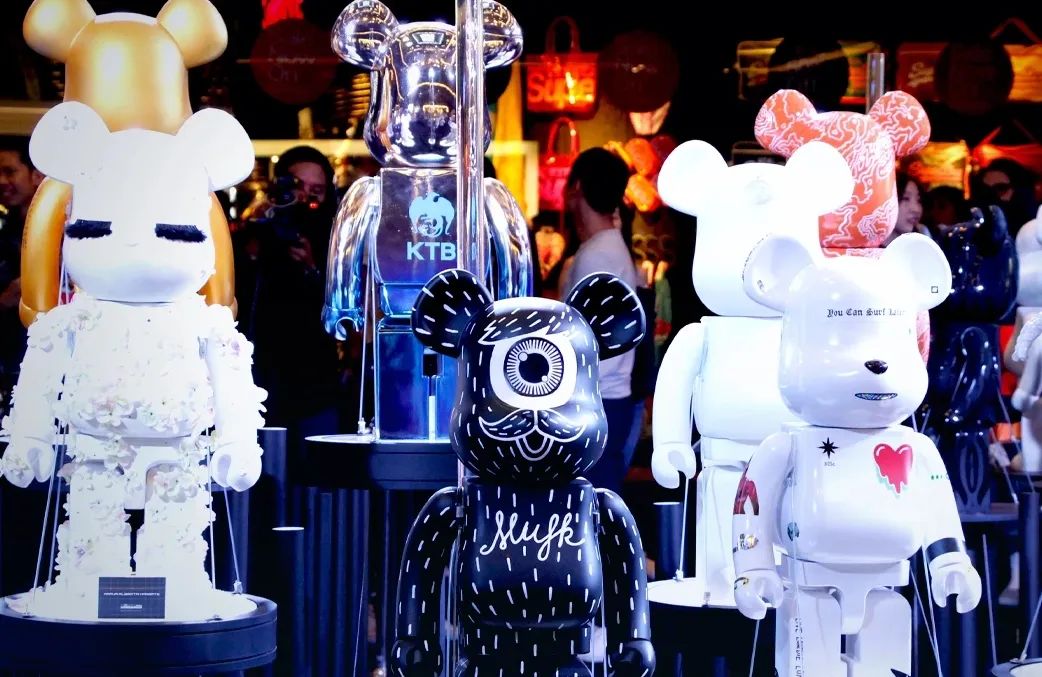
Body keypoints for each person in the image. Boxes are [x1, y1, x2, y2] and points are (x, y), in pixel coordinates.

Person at [236, 145, 344, 448]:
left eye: (315, 191)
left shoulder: (336, 239)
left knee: (317, 464)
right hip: (259, 377)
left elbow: (344, 312)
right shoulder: (257, 229)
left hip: (315, 382)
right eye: (296, 187)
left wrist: (311, 268)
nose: (304, 198)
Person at [559, 147, 642, 495]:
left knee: (590, 505)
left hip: (596, 400)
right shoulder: (609, 248)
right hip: (608, 399)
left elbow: (580, 338)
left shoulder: (597, 256)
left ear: (577, 186)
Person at [0, 136, 42, 403]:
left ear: (35, 175)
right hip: (10, 349)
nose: (2, 181)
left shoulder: (61, 226)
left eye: (10, 171)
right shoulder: (5, 229)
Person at [885, 170, 929, 245]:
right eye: (905, 198)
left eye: (918, 200)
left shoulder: (922, 244)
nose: (916, 210)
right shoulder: (867, 251)